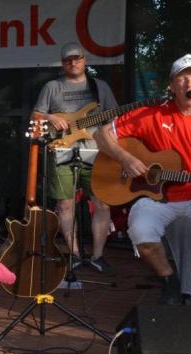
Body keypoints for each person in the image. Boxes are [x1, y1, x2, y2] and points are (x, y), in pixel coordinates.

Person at [94, 53, 191, 305]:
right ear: (172, 85)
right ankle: (169, 281)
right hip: (159, 200)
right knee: (140, 231)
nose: (190, 83)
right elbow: (101, 134)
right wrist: (126, 159)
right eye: (183, 78)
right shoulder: (150, 115)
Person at [32, 42, 117, 274]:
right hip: (61, 148)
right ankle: (75, 254)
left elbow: (112, 120)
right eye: (68, 59)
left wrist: (114, 147)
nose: (73, 62)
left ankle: (98, 256)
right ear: (62, 63)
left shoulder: (100, 87)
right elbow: (35, 115)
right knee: (65, 204)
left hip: (95, 149)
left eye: (77, 58)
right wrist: (50, 117)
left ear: (84, 59)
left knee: (102, 202)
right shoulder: (52, 86)